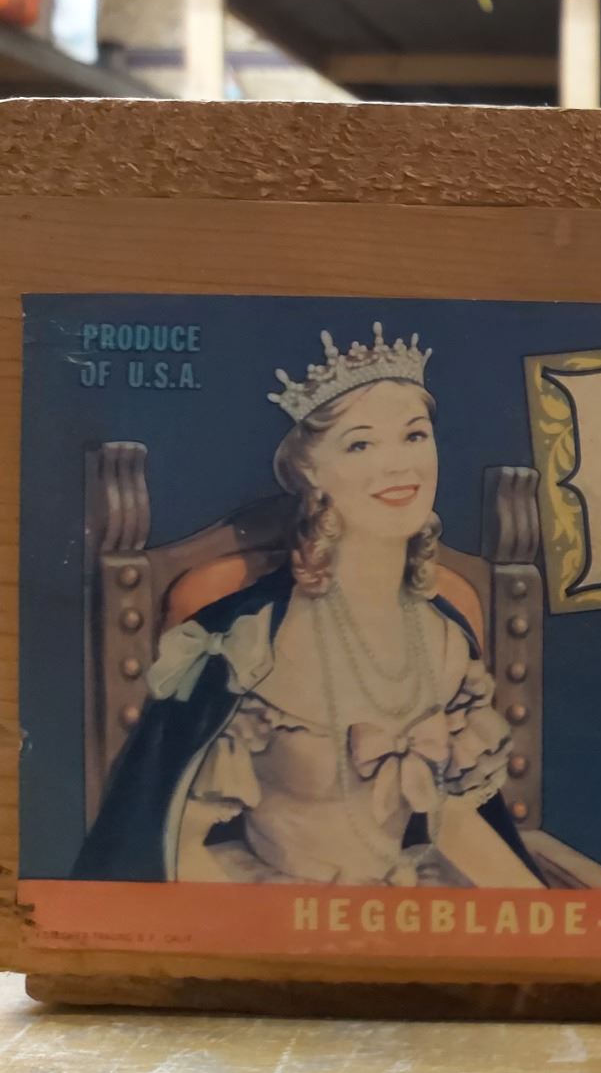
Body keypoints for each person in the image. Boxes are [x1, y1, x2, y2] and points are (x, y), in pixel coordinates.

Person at [74, 325, 543, 887]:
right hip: (268, 906)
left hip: (407, 897)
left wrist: (545, 917)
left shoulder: (448, 641)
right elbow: (170, 848)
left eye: (414, 436)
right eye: (361, 444)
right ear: (310, 473)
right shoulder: (248, 644)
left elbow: (456, 824)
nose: (400, 466)